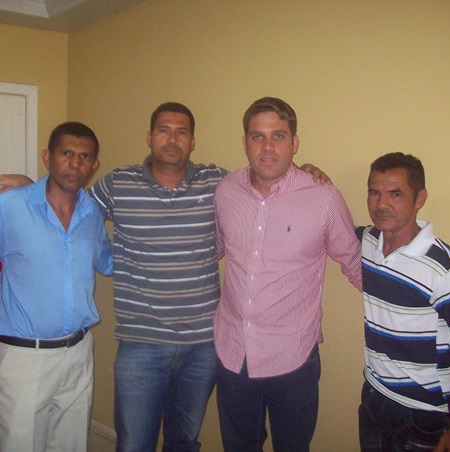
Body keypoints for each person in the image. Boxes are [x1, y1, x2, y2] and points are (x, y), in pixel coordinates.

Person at [0, 102, 329, 452]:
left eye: (181, 132)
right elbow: (67, 198)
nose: (172, 139)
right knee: (133, 444)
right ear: (149, 137)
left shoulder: (218, 183)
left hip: (202, 346)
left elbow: (265, 176)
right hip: (140, 344)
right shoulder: (117, 184)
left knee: (184, 442)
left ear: (192, 142)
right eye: (163, 130)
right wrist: (29, 187)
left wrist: (303, 172)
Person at [213, 97, 362, 451]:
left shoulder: (324, 198)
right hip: (233, 353)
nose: (267, 147)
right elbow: (214, 249)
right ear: (245, 142)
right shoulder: (225, 191)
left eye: (278, 136)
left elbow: (355, 262)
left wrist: (403, 306)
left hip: (293, 357)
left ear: (294, 143)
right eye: (257, 136)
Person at [356, 152, 450, 451]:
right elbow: (329, 224)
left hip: (423, 412)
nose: (381, 204)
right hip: (374, 396)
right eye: (374, 193)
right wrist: (305, 173)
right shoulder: (368, 241)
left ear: (420, 198)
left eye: (395, 194)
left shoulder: (442, 266)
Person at [0, 122, 113, 452]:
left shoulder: (92, 214)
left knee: (71, 444)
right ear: (47, 157)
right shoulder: (11, 206)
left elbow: (109, 262)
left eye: (85, 156)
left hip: (78, 352)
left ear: (94, 165)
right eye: (66, 153)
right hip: (25, 357)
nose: (75, 163)